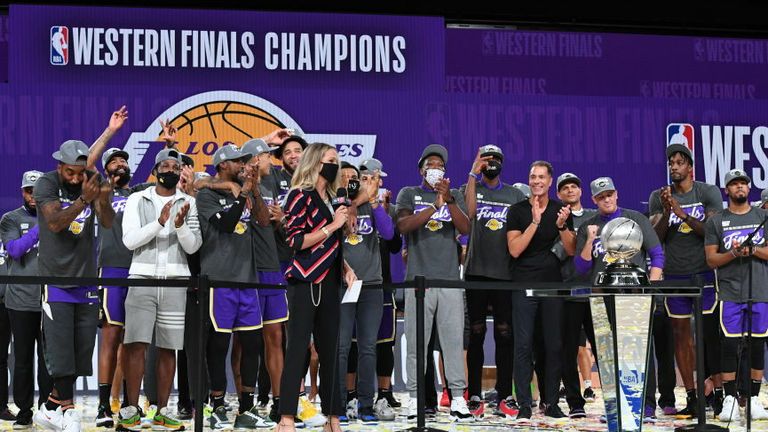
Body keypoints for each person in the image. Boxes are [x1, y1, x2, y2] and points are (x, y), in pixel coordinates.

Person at [33, 139, 116, 432]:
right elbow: (55, 223)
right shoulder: (46, 183)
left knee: (82, 351)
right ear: (60, 167)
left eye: (80, 172)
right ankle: (68, 409)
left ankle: (51, 406)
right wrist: (83, 200)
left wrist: (102, 199)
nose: (76, 178)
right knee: (61, 349)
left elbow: (107, 222)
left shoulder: (91, 182)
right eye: (70, 172)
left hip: (86, 279)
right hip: (55, 278)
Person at [118, 148, 202, 431]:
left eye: (175, 167)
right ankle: (130, 409)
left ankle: (163, 410)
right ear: (155, 171)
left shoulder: (189, 201)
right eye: (165, 165)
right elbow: (130, 241)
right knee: (135, 345)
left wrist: (179, 226)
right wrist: (159, 222)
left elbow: (193, 246)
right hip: (141, 277)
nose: (171, 170)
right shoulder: (136, 199)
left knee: (169, 347)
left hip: (176, 280)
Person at [276, 143, 356, 432]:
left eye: (337, 160)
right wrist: (333, 226)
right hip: (305, 280)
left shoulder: (334, 198)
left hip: (331, 280)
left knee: (331, 351)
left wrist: (346, 268)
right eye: (330, 160)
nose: (335, 165)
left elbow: (333, 244)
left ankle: (333, 416)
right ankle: (286, 417)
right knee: (297, 348)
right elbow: (296, 241)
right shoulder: (299, 196)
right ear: (315, 162)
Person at [196, 144, 274, 429]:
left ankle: (247, 408)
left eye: (244, 161)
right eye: (236, 162)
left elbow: (264, 223)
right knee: (219, 345)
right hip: (219, 279)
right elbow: (228, 223)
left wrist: (252, 190)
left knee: (252, 344)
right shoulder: (205, 195)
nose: (243, 166)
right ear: (221, 166)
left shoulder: (246, 192)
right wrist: (242, 193)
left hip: (247, 278)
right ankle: (216, 405)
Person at [396, 144, 473, 423]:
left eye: (440, 165)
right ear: (421, 169)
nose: (435, 169)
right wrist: (433, 206)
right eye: (430, 165)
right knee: (418, 345)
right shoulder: (409, 193)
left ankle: (457, 399)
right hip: (419, 283)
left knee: (453, 344)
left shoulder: (453, 197)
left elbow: (466, 229)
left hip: (449, 280)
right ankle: (415, 398)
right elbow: (403, 226)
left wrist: (449, 201)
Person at [649, 143, 724, 417]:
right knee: (681, 337)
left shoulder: (707, 192)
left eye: (680, 162)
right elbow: (655, 238)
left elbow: (713, 232)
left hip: (703, 272)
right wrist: (668, 211)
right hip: (675, 275)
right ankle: (693, 396)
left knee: (708, 336)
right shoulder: (660, 197)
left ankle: (717, 393)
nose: (674, 167)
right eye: (671, 162)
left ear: (690, 167)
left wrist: (682, 213)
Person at [460, 145, 526, 419]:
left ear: (503, 163)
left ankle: (504, 394)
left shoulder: (514, 194)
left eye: (496, 159)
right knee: (475, 334)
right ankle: (474, 393)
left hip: (505, 274)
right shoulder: (470, 186)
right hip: (476, 271)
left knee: (504, 334)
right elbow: (471, 212)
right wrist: (473, 174)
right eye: (486, 160)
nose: (491, 164)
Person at [506, 160, 575, 420]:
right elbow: (514, 249)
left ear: (549, 181)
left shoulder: (561, 211)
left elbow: (570, 250)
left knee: (553, 344)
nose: (536, 181)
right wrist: (534, 222)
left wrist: (561, 227)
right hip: (523, 282)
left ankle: (551, 402)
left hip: (551, 283)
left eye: (541, 177)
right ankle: (524, 403)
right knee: (523, 345)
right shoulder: (517, 211)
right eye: (532, 176)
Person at [704, 169, 768, 422]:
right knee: (729, 345)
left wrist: (751, 249)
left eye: (743, 183)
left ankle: (753, 398)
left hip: (760, 290)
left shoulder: (763, 216)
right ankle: (730, 398)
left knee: (757, 344)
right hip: (729, 291)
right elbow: (711, 260)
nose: (739, 187)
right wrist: (733, 253)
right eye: (734, 184)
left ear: (749, 188)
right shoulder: (716, 221)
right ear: (726, 191)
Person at [336, 161, 395, 424]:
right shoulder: (332, 207)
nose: (350, 180)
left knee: (368, 348)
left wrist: (371, 203)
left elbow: (389, 233)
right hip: (343, 285)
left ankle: (366, 404)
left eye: (354, 177)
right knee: (341, 347)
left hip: (371, 285)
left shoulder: (371, 207)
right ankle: (339, 402)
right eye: (344, 176)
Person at [0, 170, 53, 429]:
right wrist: (43, 226)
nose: (33, 196)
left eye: (37, 191)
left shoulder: (59, 217)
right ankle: (24, 411)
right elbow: (15, 250)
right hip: (19, 300)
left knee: (48, 361)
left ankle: (47, 409)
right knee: (22, 360)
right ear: (22, 192)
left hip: (50, 300)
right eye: (28, 191)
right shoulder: (10, 219)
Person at [553, 172, 598, 419]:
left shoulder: (596, 216)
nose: (570, 190)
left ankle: (614, 400)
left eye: (574, 186)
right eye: (565, 188)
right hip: (568, 293)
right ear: (559, 194)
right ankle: (574, 401)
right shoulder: (556, 218)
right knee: (568, 350)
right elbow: (565, 252)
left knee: (603, 351)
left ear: (581, 191)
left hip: (595, 292)